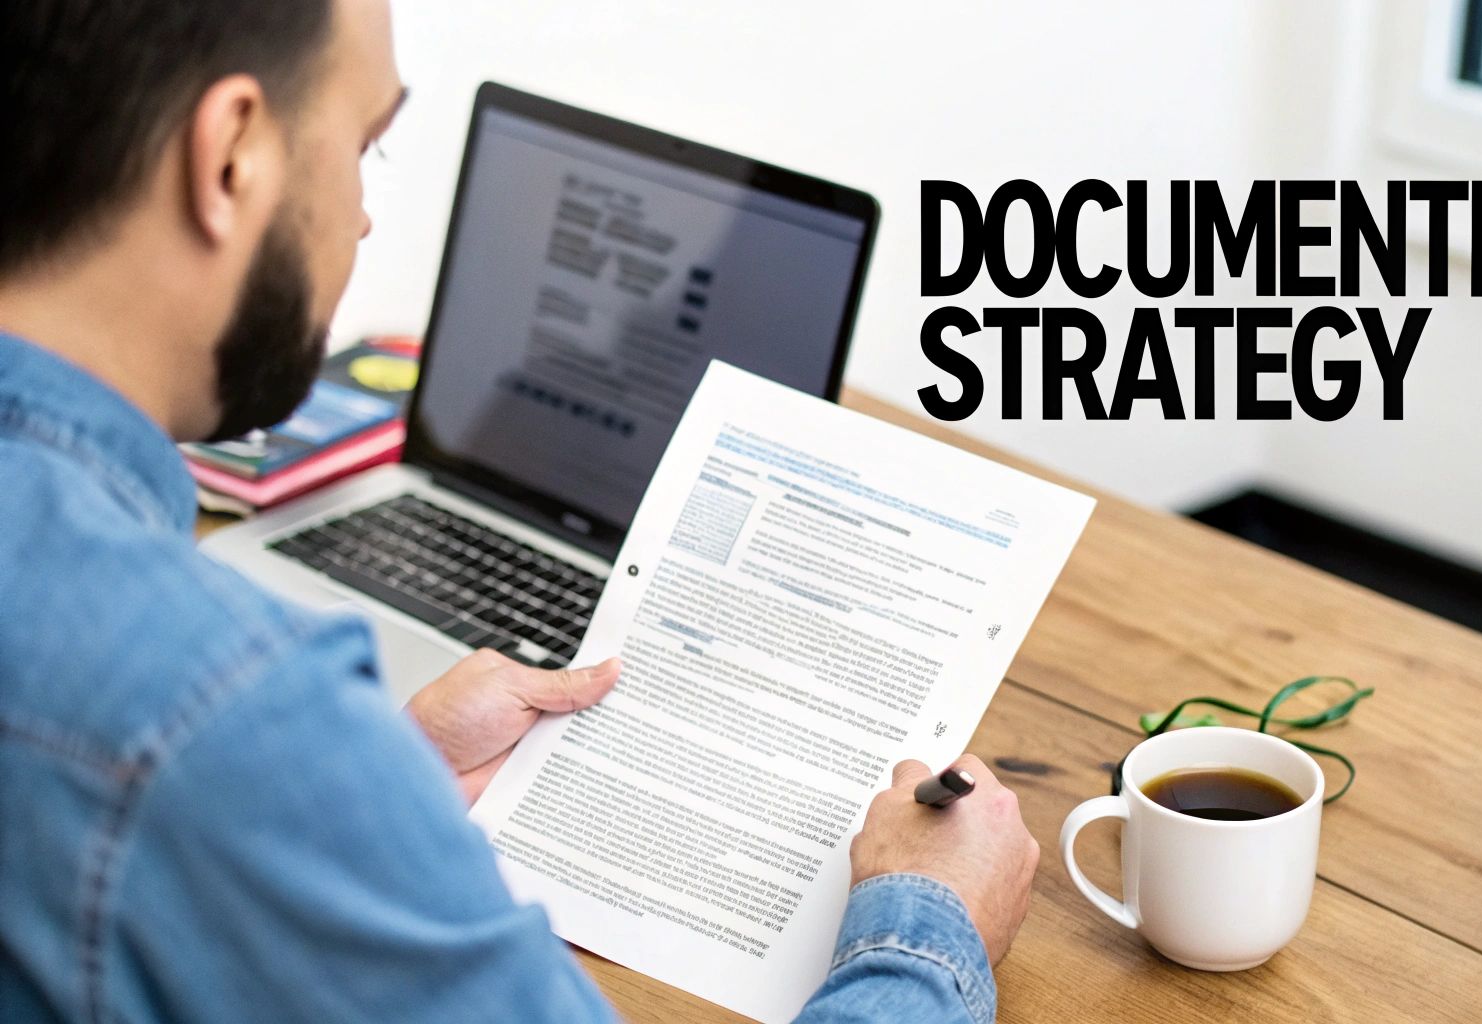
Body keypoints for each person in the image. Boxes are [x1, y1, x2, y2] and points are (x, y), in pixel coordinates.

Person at [0, 2, 1042, 1021]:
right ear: (230, 155)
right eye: (365, 142)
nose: (363, 212)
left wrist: (374, 795)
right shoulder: (225, 716)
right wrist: (926, 927)